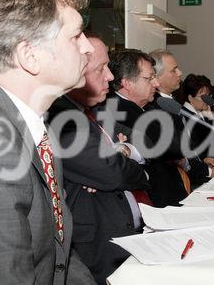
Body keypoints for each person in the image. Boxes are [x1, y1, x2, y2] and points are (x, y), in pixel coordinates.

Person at [0, 0, 96, 283]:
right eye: (75, 35)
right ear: (30, 56)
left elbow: (58, 256)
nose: (89, 48)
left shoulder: (34, 124)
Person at [48, 37, 150, 283]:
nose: (110, 77)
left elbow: (143, 142)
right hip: (98, 250)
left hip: (126, 234)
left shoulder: (93, 110)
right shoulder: (61, 115)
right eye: (100, 68)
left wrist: (122, 151)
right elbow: (111, 171)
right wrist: (131, 166)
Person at [104, 48, 189, 207]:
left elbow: (181, 144)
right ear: (127, 83)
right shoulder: (116, 110)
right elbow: (173, 147)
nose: (156, 84)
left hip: (170, 196)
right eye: (150, 78)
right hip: (153, 204)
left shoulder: (149, 106)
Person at [146, 50, 214, 195]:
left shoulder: (172, 102)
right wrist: (208, 172)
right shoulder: (155, 107)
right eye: (174, 70)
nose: (180, 73)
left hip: (191, 175)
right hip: (172, 187)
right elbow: (177, 154)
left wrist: (202, 161)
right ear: (157, 76)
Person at [182, 74, 214, 188]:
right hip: (197, 176)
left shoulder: (201, 116)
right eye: (203, 96)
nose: (208, 99)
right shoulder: (186, 117)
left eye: (209, 95)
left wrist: (210, 117)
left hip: (211, 164)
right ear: (190, 98)